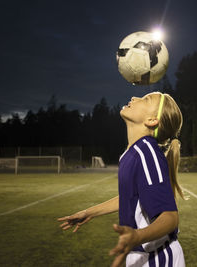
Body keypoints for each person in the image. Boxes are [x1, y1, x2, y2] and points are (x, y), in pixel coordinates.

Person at [58, 92, 186, 267]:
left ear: (151, 120)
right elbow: (132, 198)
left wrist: (138, 236)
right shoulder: (133, 152)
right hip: (140, 255)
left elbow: (170, 217)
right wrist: (89, 213)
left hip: (158, 258)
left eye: (146, 99)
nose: (134, 98)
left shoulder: (146, 152)